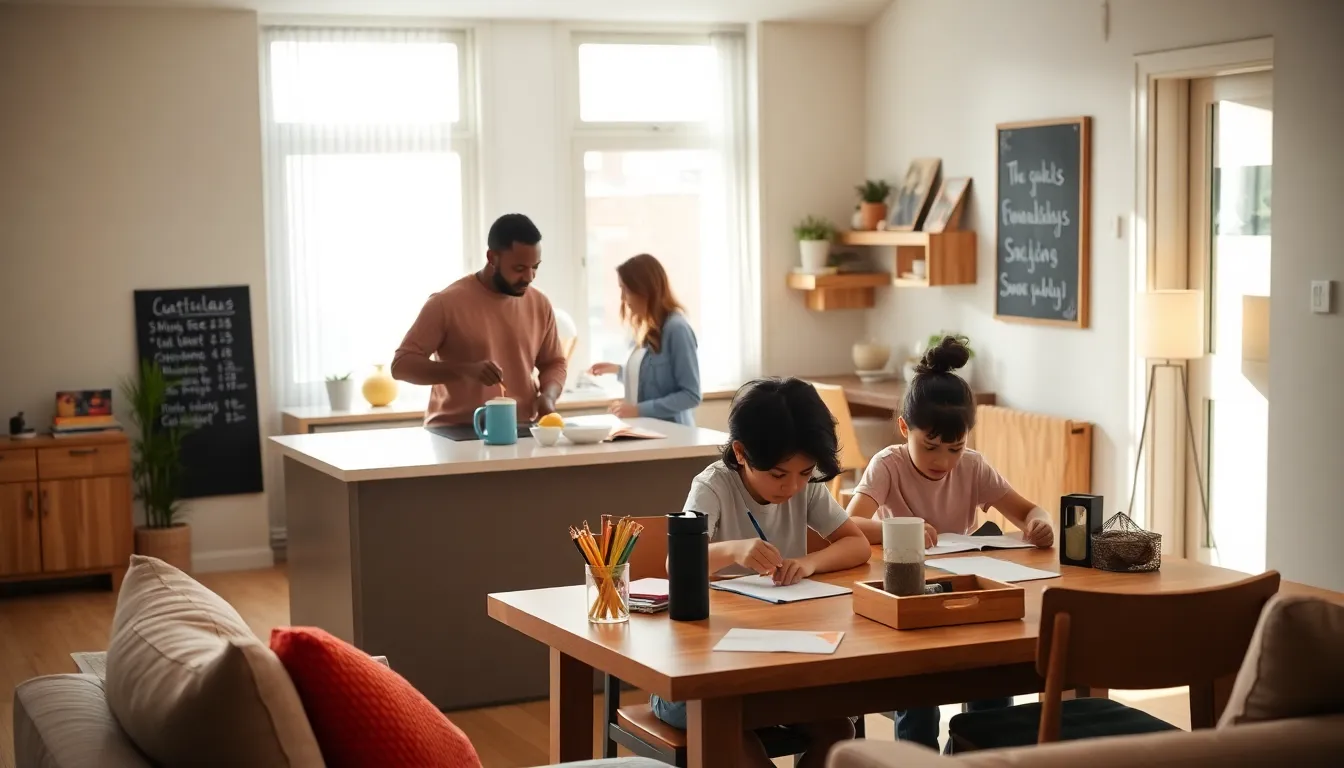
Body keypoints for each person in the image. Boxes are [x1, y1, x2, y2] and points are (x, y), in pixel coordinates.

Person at [844, 335, 1054, 751]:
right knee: (919, 701)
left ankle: (975, 753)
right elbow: (849, 524)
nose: (943, 461)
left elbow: (1029, 511)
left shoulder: (973, 467)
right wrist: (897, 529)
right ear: (905, 428)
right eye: (930, 447)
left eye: (955, 448)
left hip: (965, 595)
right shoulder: (888, 464)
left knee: (993, 687)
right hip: (909, 598)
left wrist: (1040, 523)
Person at [649, 378, 871, 767]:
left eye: (804, 473)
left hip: (781, 665)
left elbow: (857, 544)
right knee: (728, 726)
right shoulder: (712, 486)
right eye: (778, 474)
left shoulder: (806, 485)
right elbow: (676, 563)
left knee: (838, 733)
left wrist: (809, 563)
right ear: (741, 452)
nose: (791, 486)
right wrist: (735, 549)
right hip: (701, 674)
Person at [391, 213, 567, 427]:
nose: (529, 277)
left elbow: (554, 362)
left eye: (535, 267)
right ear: (492, 258)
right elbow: (402, 365)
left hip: (519, 429)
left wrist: (548, 396)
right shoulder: (445, 303)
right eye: (519, 268)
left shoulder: (540, 303)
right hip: (454, 433)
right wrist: (464, 370)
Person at [587, 254, 702, 426]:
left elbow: (691, 395)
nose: (623, 299)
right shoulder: (645, 329)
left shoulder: (677, 329)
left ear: (644, 290)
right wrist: (618, 370)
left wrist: (638, 410)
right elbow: (653, 379)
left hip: (674, 435)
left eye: (626, 290)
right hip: (647, 431)